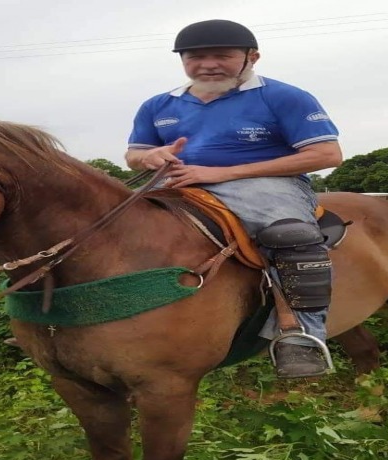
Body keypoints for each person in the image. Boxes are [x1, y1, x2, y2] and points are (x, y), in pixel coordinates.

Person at [125, 19, 343, 378]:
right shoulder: (158, 105)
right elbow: (135, 155)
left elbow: (327, 155)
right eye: (195, 57)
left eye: (221, 56)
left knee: (291, 236)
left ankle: (301, 337)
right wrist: (150, 157)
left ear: (251, 57)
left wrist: (218, 173)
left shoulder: (284, 96)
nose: (208, 64)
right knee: (99, 223)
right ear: (183, 61)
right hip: (176, 183)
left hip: (269, 185)